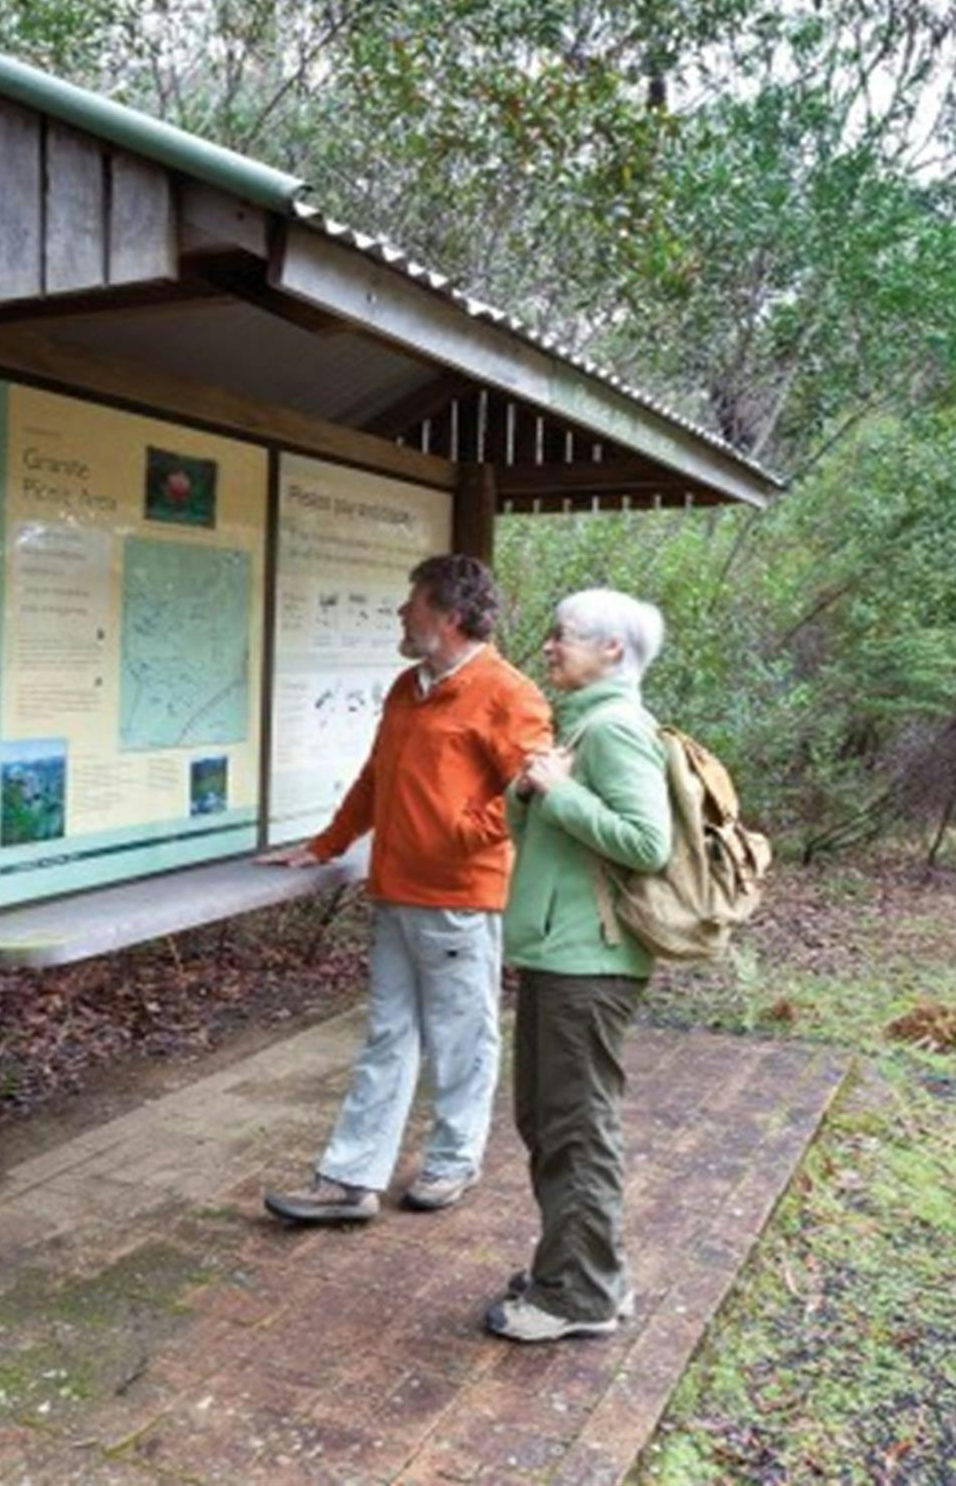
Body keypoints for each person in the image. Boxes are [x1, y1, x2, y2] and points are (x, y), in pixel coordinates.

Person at [259, 554, 550, 1224]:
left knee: (461, 1037)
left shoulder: (509, 694)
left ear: (448, 615)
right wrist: (326, 845)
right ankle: (351, 1180)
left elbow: (531, 792)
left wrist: (456, 835)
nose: (400, 613)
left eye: (411, 602)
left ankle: (452, 1164)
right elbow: (375, 778)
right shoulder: (405, 687)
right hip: (394, 893)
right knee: (388, 1034)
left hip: (458, 899)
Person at [487, 588, 673, 1342]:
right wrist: (538, 788)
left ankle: (578, 1299)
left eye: (563, 636)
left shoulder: (618, 730)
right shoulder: (587, 727)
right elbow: (545, 833)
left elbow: (645, 843)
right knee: (550, 1117)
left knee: (575, 1126)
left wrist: (559, 792)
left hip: (588, 963)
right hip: (564, 954)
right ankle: (585, 1272)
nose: (550, 648)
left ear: (612, 652)